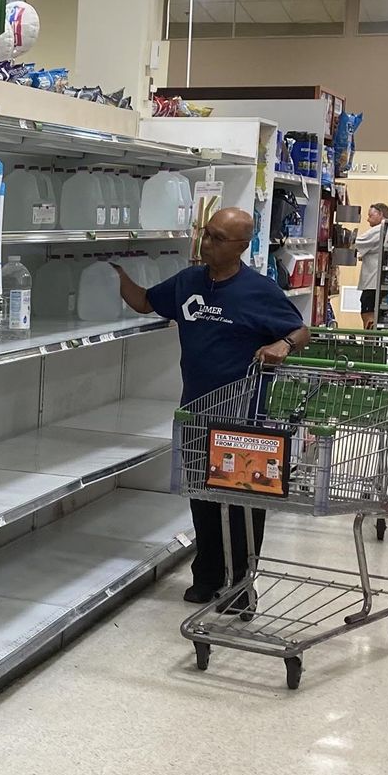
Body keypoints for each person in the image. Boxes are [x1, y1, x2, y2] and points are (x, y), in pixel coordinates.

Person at [115, 206, 310, 605]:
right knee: (201, 497)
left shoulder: (260, 291)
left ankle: (241, 583)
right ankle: (205, 577)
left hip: (245, 419)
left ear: (241, 246)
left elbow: (300, 329)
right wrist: (114, 272)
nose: (208, 242)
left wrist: (283, 345)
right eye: (207, 233)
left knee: (241, 502)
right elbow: (145, 302)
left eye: (219, 238)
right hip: (197, 413)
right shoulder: (188, 282)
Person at [355, 203, 388, 329]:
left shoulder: (379, 229)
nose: (368, 219)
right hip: (378, 282)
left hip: (372, 283)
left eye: (370, 215)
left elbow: (356, 242)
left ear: (381, 214)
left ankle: (369, 344)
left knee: (368, 315)